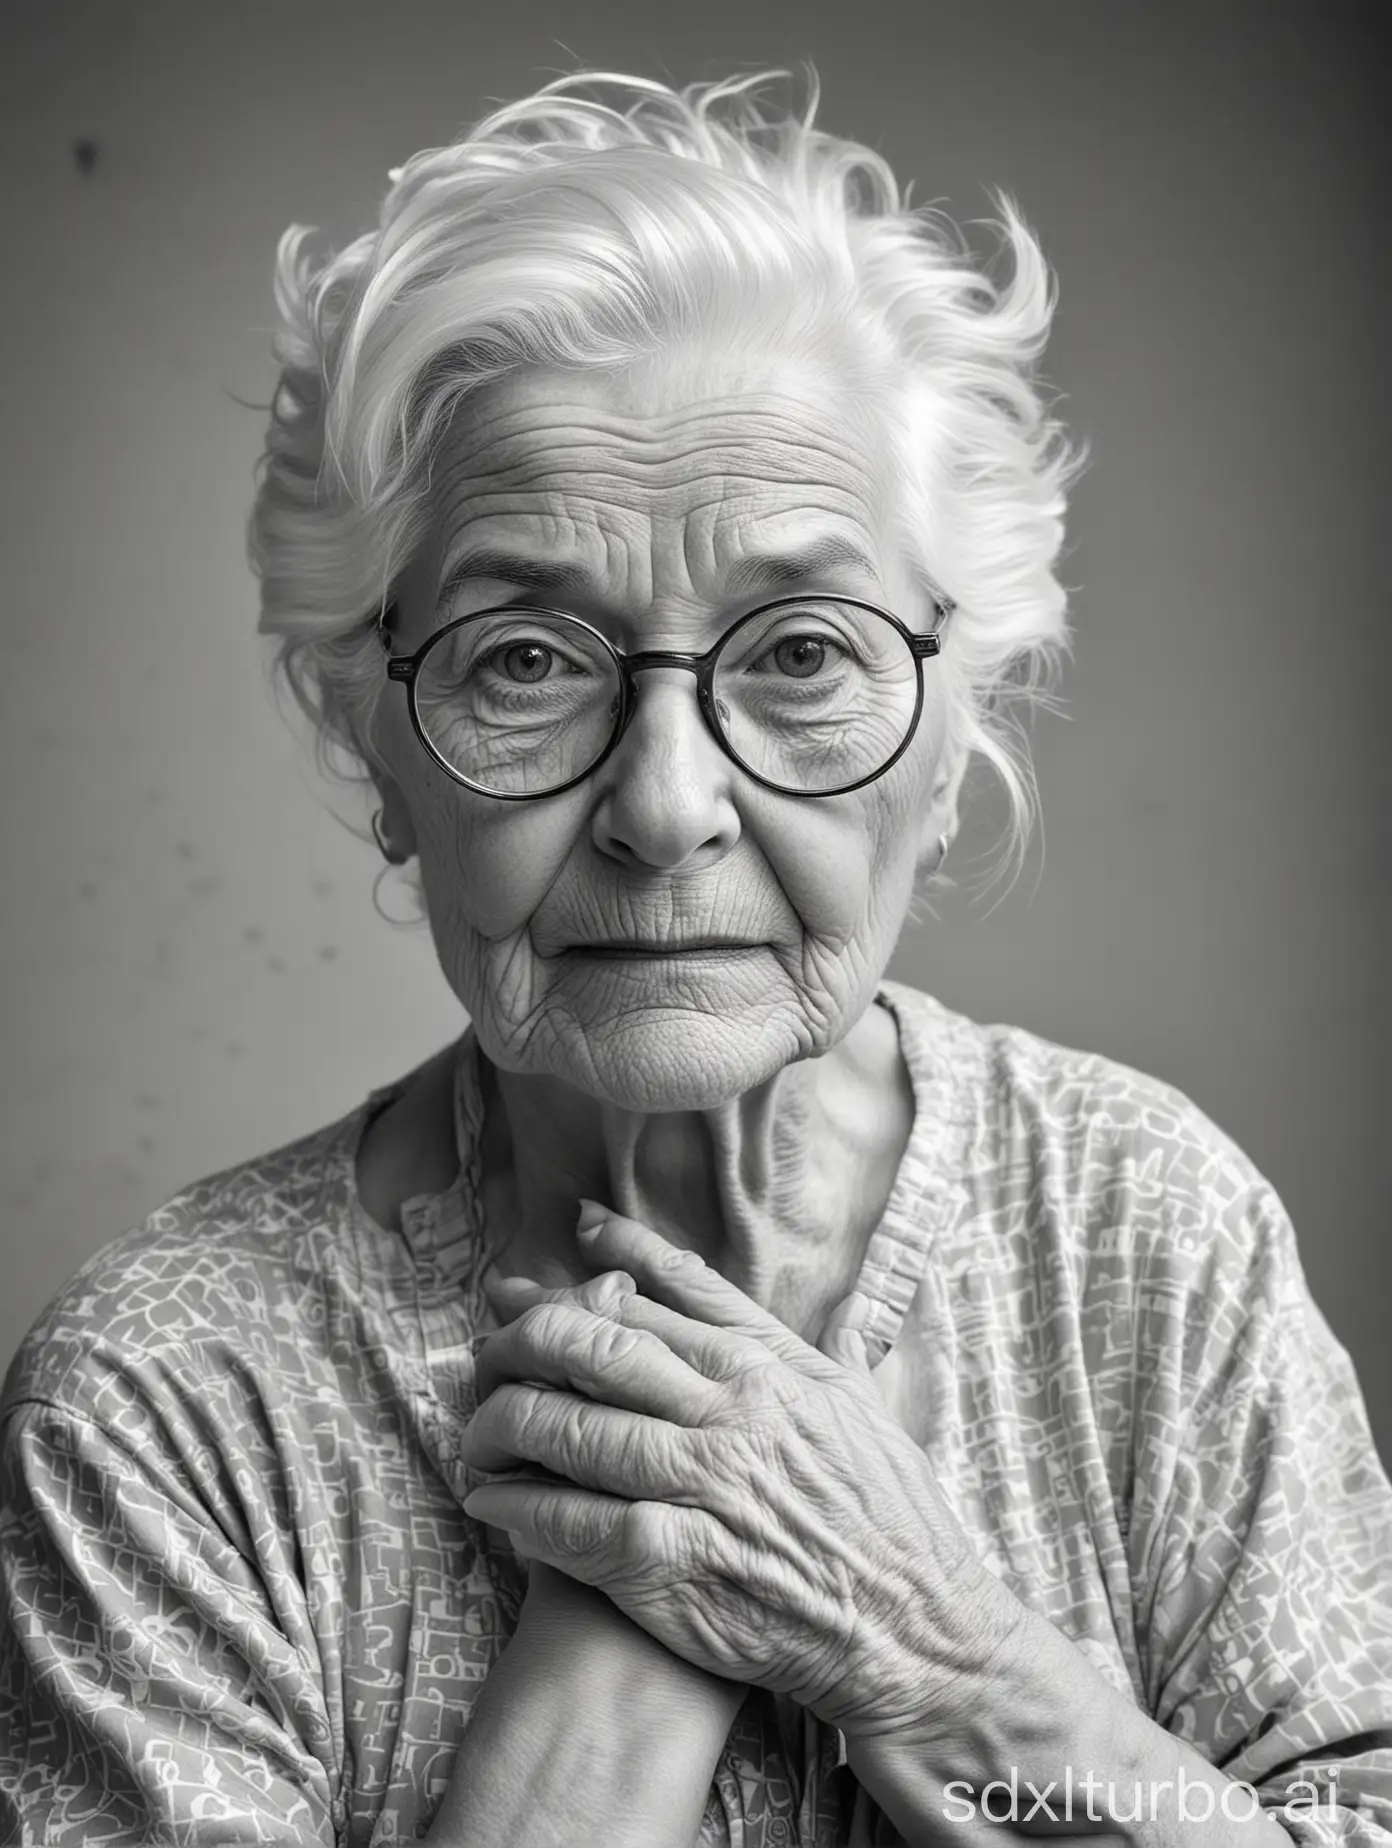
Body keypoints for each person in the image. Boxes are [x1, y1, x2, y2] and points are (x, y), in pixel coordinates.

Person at [2, 64, 1389, 1848]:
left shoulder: (1143, 1237)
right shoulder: (171, 1400)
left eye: (801, 652)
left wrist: (931, 1648)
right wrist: (657, 1563)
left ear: (947, 746)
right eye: (525, 660)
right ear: (381, 760)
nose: (666, 805)